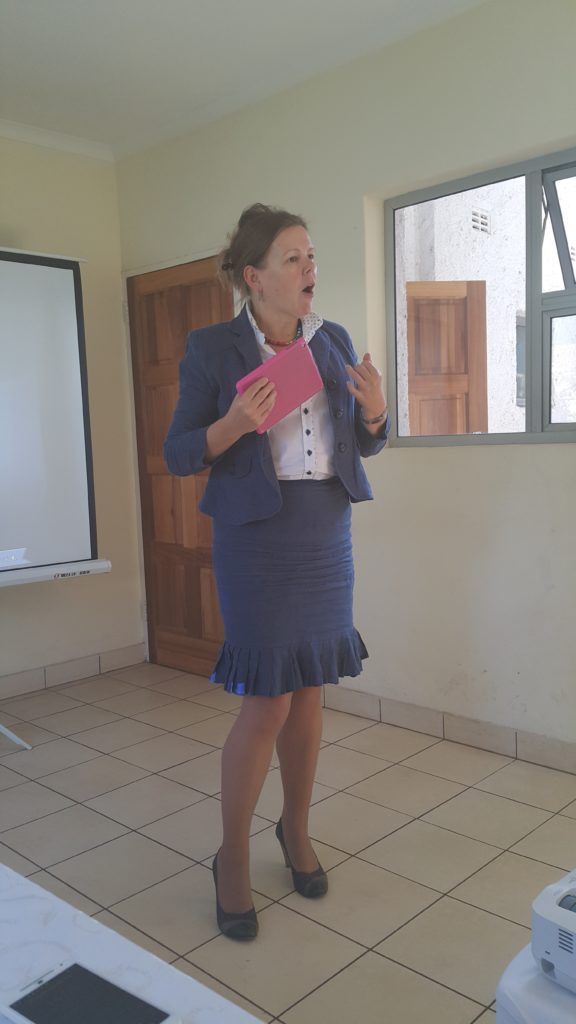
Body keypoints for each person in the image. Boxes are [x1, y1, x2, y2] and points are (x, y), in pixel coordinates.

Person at [164, 203, 389, 941]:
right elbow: (177, 452)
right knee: (268, 703)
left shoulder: (334, 340)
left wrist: (377, 415)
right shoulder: (212, 348)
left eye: (311, 256)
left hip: (325, 532)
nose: (309, 269)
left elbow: (361, 442)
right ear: (253, 277)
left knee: (311, 692)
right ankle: (230, 858)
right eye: (293, 258)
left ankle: (294, 830)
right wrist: (231, 424)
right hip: (256, 540)